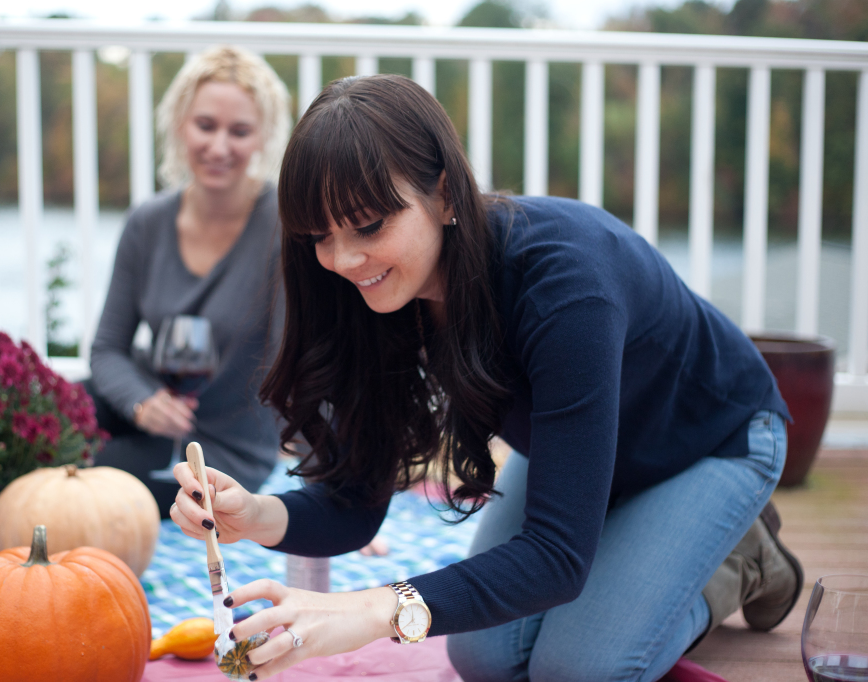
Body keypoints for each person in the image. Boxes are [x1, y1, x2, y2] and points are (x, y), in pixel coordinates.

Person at [169, 74, 804, 681]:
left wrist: (368, 610)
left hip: (712, 438)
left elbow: (558, 558)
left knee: (578, 669)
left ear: (444, 193)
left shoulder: (565, 285)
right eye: (320, 236)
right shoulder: (376, 289)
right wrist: (252, 514)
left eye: (369, 225)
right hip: (583, 450)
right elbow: (355, 505)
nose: (344, 259)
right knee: (483, 659)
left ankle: (742, 561)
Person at [86, 45, 291, 516]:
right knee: (57, 418)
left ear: (262, 137)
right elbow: (107, 349)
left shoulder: (283, 228)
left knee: (79, 476)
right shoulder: (147, 221)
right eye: (206, 126)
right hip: (149, 414)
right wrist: (142, 402)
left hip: (225, 450)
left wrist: (337, 495)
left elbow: (298, 367)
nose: (219, 147)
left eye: (239, 131)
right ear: (180, 125)